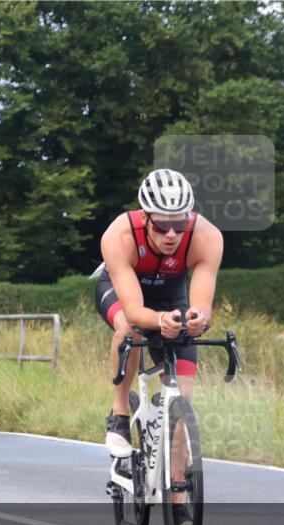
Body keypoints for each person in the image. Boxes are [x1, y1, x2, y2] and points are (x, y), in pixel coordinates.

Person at [93, 168, 223, 487]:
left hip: (170, 295)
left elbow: (202, 304)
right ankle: (120, 413)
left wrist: (199, 319)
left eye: (179, 224)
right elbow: (136, 311)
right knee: (129, 327)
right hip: (123, 290)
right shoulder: (119, 236)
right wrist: (160, 320)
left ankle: (178, 492)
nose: (171, 234)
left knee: (185, 398)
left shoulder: (207, 237)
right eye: (162, 224)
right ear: (145, 217)